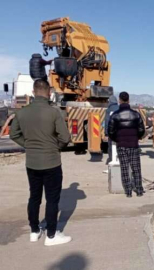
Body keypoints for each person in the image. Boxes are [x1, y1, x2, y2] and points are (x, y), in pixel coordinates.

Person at [10, 79, 72, 246]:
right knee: (52, 200)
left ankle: (34, 231)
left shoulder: (22, 112)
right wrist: (55, 147)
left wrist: (28, 145)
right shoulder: (54, 112)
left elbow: (13, 134)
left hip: (32, 162)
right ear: (49, 92)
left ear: (33, 91)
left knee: (34, 197)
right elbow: (65, 137)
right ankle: (51, 235)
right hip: (51, 162)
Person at [108, 92, 146, 197]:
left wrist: (118, 139)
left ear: (119, 100)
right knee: (136, 168)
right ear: (128, 100)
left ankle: (128, 192)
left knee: (124, 169)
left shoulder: (115, 115)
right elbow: (142, 130)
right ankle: (139, 190)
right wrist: (136, 137)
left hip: (121, 145)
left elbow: (110, 132)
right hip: (133, 145)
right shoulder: (136, 114)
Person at [104, 95, 119, 168]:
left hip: (112, 132)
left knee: (111, 147)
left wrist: (106, 133)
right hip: (120, 132)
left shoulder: (109, 110)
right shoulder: (119, 108)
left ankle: (111, 161)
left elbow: (107, 121)